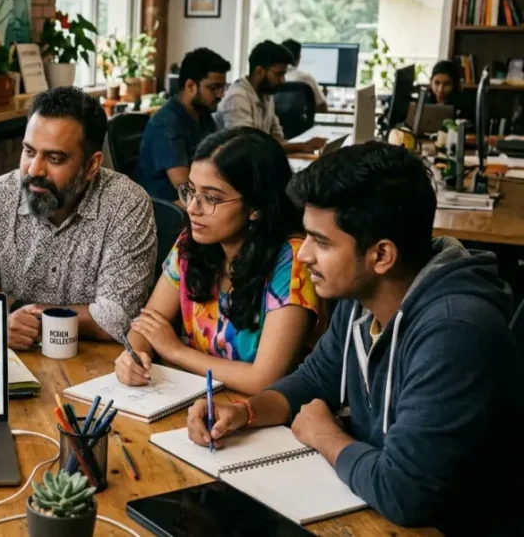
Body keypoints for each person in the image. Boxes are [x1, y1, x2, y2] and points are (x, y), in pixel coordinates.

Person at [185, 142, 524, 534]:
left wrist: (324, 435)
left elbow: (404, 492)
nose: (304, 255)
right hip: (370, 509)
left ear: (381, 256)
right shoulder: (362, 298)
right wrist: (244, 412)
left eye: (322, 242)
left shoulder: (456, 332)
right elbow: (313, 380)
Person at [0, 86, 156, 350]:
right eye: (29, 152)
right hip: (16, 360)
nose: (34, 170)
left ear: (92, 165)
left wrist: (38, 317)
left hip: (97, 366)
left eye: (55, 158)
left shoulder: (126, 204)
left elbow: (118, 317)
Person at [116, 128, 323, 395]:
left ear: (256, 207)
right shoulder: (191, 242)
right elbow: (149, 324)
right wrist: (133, 355)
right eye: (190, 191)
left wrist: (175, 351)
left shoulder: (292, 260)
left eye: (211, 198)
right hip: (196, 401)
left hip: (264, 420)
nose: (192, 208)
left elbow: (263, 380)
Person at [134, 47, 230, 201]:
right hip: (167, 208)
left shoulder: (203, 114)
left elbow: (218, 159)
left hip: (192, 199)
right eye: (214, 88)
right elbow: (183, 186)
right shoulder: (167, 122)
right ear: (190, 86)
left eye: (223, 88)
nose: (220, 95)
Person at [215, 40, 327, 154]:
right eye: (279, 74)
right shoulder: (237, 97)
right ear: (259, 71)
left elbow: (278, 140)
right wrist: (302, 146)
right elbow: (247, 147)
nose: (283, 81)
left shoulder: (267, 96)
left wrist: (302, 146)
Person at [281, 39, 328, 112]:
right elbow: (323, 107)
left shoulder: (274, 77)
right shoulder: (306, 78)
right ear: (299, 57)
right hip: (298, 122)